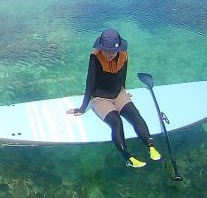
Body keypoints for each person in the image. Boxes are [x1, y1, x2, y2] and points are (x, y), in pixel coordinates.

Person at [66, 28, 161, 168]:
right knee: (117, 122)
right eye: (105, 50)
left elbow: (122, 75)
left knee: (135, 115)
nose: (109, 54)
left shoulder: (123, 55)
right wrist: (82, 107)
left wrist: (124, 90)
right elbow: (90, 83)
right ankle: (128, 158)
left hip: (118, 93)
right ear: (100, 47)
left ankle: (151, 146)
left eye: (112, 51)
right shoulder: (95, 57)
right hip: (100, 98)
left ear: (119, 48)